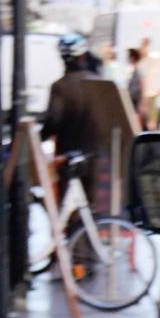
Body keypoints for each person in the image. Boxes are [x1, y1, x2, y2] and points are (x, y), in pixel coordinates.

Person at [41, 47, 139, 217]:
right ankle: (87, 238)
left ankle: (73, 238)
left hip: (68, 154)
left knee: (65, 205)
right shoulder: (100, 84)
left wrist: (39, 137)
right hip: (96, 152)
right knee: (93, 202)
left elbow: (53, 122)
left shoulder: (60, 87)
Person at [124, 41, 160, 130]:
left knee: (145, 122)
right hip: (134, 100)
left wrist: (142, 103)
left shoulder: (140, 68)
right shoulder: (133, 69)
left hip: (141, 99)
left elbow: (143, 85)